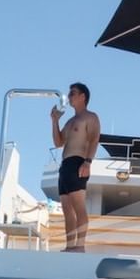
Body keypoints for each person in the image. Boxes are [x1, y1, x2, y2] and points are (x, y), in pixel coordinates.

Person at [50, 82, 100, 252]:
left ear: (82, 96)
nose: (69, 96)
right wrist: (55, 121)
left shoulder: (90, 117)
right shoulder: (71, 121)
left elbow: (94, 139)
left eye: (73, 93)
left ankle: (80, 245)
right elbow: (58, 142)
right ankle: (70, 246)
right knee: (66, 208)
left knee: (78, 205)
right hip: (65, 165)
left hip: (79, 162)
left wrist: (88, 162)